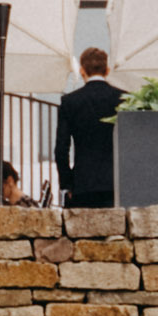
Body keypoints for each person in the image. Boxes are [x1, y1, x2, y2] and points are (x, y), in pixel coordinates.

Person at [53, 46, 121, 209]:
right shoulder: (123, 99)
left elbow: (61, 149)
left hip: (83, 183)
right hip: (116, 183)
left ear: (82, 70)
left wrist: (67, 183)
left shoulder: (70, 102)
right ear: (107, 70)